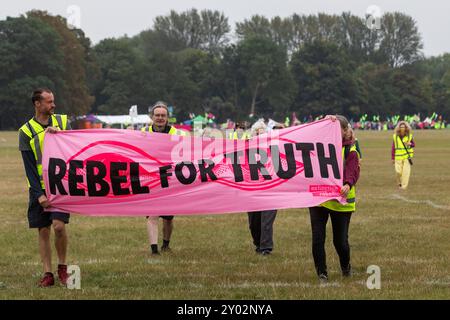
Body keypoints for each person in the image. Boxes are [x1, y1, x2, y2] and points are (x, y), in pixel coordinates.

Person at [19, 88, 71, 287]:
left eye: (53, 101)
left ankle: (63, 267)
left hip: (60, 187)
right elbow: (29, 167)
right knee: (43, 231)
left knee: (59, 227)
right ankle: (48, 273)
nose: (53, 105)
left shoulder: (63, 122)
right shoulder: (26, 131)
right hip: (39, 190)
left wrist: (61, 135)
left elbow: (76, 146)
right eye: (49, 102)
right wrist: (39, 194)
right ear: (37, 104)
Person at [308, 115, 360, 282]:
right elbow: (306, 133)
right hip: (320, 199)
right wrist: (324, 119)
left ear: (345, 131)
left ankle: (346, 267)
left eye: (336, 130)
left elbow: (353, 170)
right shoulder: (319, 145)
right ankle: (322, 273)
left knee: (340, 242)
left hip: (341, 201)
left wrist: (348, 184)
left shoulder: (351, 149)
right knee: (317, 238)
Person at [141, 101, 182, 255]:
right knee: (152, 214)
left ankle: (166, 244)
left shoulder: (177, 134)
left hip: (171, 179)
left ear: (167, 118)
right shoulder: (143, 132)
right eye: (157, 115)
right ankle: (154, 249)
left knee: (168, 217)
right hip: (150, 178)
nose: (159, 118)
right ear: (152, 117)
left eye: (163, 115)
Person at [246, 122, 278, 256]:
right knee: (254, 223)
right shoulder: (247, 149)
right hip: (252, 190)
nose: (259, 134)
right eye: (257, 132)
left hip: (270, 189)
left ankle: (266, 248)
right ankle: (258, 244)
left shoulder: (273, 148)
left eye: (262, 132)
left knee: (266, 221)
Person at [392, 121, 415, 190]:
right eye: (401, 127)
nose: (402, 128)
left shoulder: (409, 136)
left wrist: (410, 144)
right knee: (398, 172)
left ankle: (403, 186)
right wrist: (392, 158)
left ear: (406, 128)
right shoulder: (395, 137)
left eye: (404, 127)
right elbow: (393, 148)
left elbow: (414, 145)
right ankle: (400, 182)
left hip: (406, 157)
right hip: (398, 157)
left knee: (406, 172)